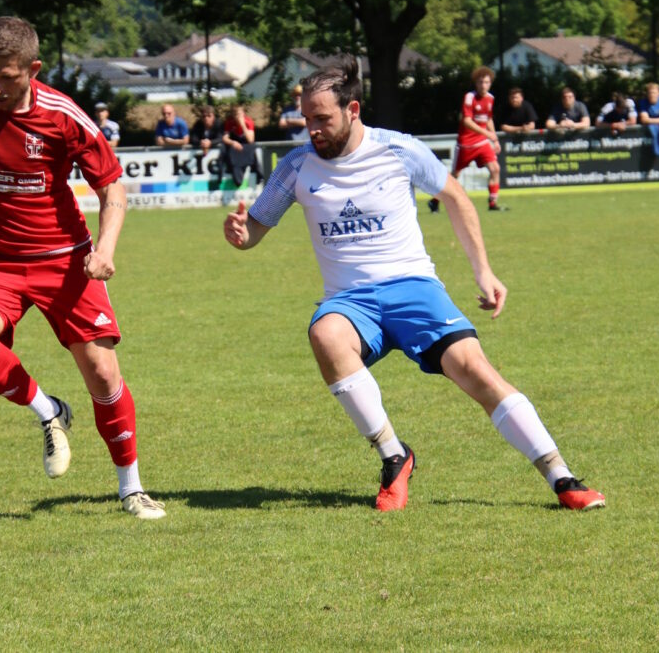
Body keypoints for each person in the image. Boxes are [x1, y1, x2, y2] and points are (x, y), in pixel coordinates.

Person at [223, 57, 605, 513]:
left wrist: (483, 271)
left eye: (322, 118)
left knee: (476, 371)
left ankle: (561, 477)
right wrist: (242, 235)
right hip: (350, 302)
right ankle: (394, 456)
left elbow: (455, 197)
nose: (313, 130)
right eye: (307, 119)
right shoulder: (295, 166)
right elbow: (257, 227)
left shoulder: (399, 150)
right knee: (325, 334)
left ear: (353, 110)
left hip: (414, 288)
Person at [0, 16, 165, 520]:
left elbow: (111, 187)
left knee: (102, 373)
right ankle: (49, 411)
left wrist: (105, 250)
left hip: (65, 260)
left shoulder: (63, 115)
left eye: (9, 77)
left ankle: (132, 488)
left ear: (33, 69)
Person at [429, 66, 503, 214]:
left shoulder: (490, 98)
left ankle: (492, 202)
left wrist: (494, 139)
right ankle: (435, 200)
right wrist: (487, 134)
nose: (483, 85)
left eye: (486, 82)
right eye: (480, 82)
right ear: (476, 83)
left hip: (482, 142)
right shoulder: (470, 97)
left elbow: (488, 119)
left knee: (495, 169)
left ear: (490, 83)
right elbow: (467, 121)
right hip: (466, 144)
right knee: (454, 176)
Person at [221, 103, 257, 187]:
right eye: (235, 114)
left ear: (243, 113)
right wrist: (233, 142)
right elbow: (225, 138)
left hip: (246, 145)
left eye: (239, 114)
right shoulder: (229, 122)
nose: (237, 117)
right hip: (236, 145)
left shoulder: (249, 122)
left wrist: (243, 125)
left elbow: (250, 140)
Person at [637, 83, 659, 158]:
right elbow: (644, 120)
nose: (652, 95)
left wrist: (650, 120)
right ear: (647, 94)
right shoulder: (643, 102)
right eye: (650, 93)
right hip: (647, 134)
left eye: (654, 93)